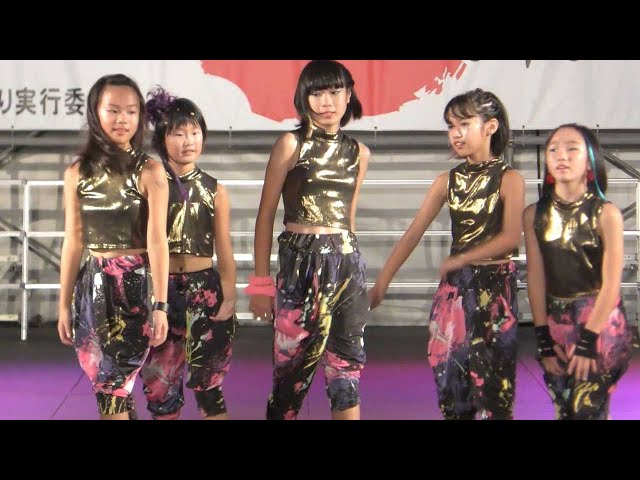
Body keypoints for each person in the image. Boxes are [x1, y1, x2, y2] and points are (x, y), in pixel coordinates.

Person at [369, 88, 524, 420]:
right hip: (455, 290)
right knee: (450, 376)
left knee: (493, 385)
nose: (456, 133)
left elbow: (511, 237)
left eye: (464, 124)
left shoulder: (509, 179)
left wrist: (464, 258)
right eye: (451, 126)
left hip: (495, 289)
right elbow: (413, 233)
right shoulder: (446, 181)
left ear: (490, 126)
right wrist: (383, 281)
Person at [248, 60, 371, 420]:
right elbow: (265, 216)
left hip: (346, 265)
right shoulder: (291, 144)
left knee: (346, 370)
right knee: (290, 373)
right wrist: (260, 283)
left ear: (349, 94)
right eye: (317, 93)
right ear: (304, 97)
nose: (326, 101)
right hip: (301, 265)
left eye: (334, 91)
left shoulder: (359, 152)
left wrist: (356, 274)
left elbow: (349, 220)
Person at [57, 73, 169, 420]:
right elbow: (73, 240)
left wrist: (161, 305)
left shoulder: (150, 170)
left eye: (132, 111)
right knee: (108, 387)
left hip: (133, 287)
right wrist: (63, 305)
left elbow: (157, 241)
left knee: (114, 386)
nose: (123, 119)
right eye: (113, 110)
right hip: (91, 289)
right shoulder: (77, 172)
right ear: (96, 112)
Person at [523, 123, 633, 419]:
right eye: (553, 149)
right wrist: (543, 337)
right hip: (556, 319)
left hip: (599, 319)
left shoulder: (606, 213)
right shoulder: (534, 214)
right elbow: (536, 276)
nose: (562, 156)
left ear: (590, 160)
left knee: (587, 408)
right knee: (564, 408)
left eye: (572, 148)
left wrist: (588, 340)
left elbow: (611, 284)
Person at [139, 87, 237, 420]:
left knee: (210, 386)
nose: (188, 141)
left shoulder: (215, 189)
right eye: (178, 134)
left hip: (205, 289)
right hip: (161, 292)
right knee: (160, 386)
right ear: (162, 139)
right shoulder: (150, 184)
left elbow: (224, 246)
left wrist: (230, 294)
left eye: (194, 133)